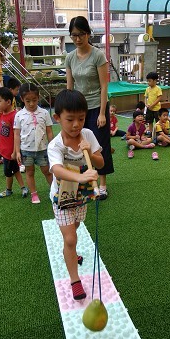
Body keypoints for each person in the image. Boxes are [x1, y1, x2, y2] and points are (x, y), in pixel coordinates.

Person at [47, 89, 104, 300]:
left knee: (76, 228)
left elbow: (101, 163)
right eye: (70, 119)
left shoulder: (88, 135)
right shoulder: (55, 145)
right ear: (57, 118)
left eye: (81, 118)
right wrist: (80, 177)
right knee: (70, 239)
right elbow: (57, 170)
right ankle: (75, 281)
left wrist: (89, 152)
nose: (76, 124)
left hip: (82, 196)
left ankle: (70, 253)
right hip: (62, 197)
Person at [65, 16, 113, 200]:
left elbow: (104, 86)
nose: (78, 39)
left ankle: (102, 184)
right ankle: (83, 181)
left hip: (97, 106)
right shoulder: (70, 57)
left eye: (81, 34)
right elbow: (69, 87)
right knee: (77, 144)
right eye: (74, 35)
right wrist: (67, 112)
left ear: (88, 34)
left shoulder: (98, 55)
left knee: (99, 145)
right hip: (78, 109)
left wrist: (102, 114)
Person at [14, 83, 54, 204]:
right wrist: (17, 151)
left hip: (43, 149)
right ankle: (34, 194)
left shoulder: (44, 113)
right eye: (28, 101)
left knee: (47, 171)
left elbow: (49, 131)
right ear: (22, 99)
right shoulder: (19, 115)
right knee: (30, 172)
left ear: (38, 97)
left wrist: (52, 147)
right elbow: (16, 134)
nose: (31, 103)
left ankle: (55, 191)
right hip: (26, 150)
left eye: (34, 100)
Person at [0, 87, 29, 199]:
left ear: (8, 102)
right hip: (4, 150)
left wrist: (14, 152)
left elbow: (16, 136)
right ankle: (22, 188)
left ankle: (9, 190)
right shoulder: (1, 114)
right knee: (15, 170)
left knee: (8, 172)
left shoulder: (14, 116)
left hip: (10, 152)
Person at [144, 72, 163, 138]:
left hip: (157, 109)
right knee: (150, 121)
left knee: (158, 121)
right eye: (147, 81)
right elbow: (145, 97)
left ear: (155, 81)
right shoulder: (147, 89)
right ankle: (151, 133)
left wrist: (152, 105)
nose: (148, 83)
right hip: (149, 108)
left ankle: (159, 132)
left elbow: (159, 98)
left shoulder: (158, 88)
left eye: (149, 81)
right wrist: (146, 104)